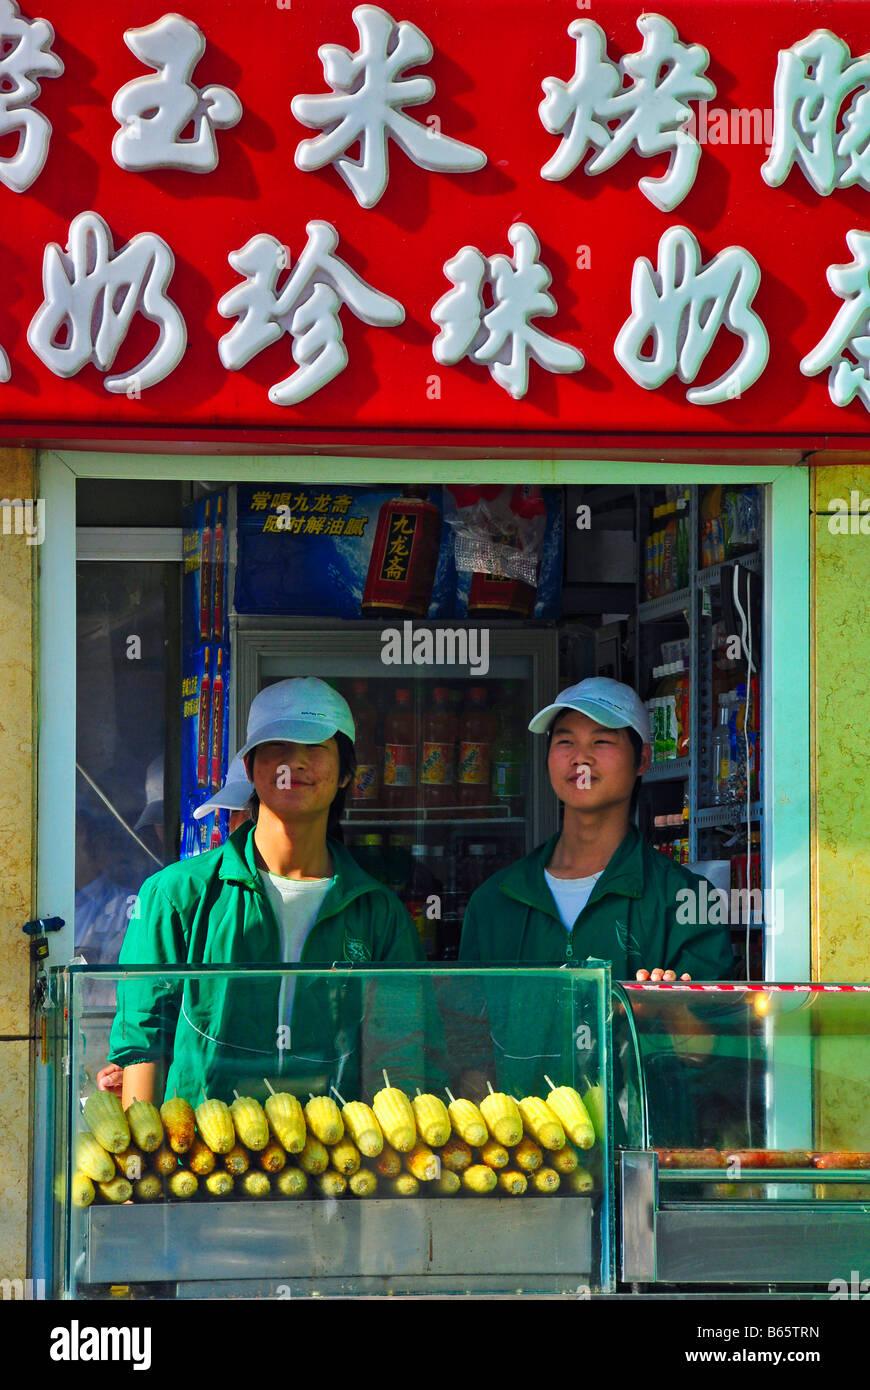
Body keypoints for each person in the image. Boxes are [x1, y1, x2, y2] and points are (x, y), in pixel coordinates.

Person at [106, 678, 427, 1107]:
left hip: (332, 1163)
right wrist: (145, 1166)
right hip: (202, 1162)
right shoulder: (177, 895)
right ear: (251, 768)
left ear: (347, 772)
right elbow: (144, 1041)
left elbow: (400, 1056)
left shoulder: (379, 913)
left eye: (315, 747)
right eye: (277, 746)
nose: (293, 762)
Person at [457, 677, 733, 1097]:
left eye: (602, 742)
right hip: (522, 1152)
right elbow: (464, 1047)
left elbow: (709, 1054)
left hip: (637, 1154)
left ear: (642, 759)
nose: (581, 758)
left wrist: (668, 1007)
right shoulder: (495, 902)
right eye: (565, 742)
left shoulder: (685, 900)